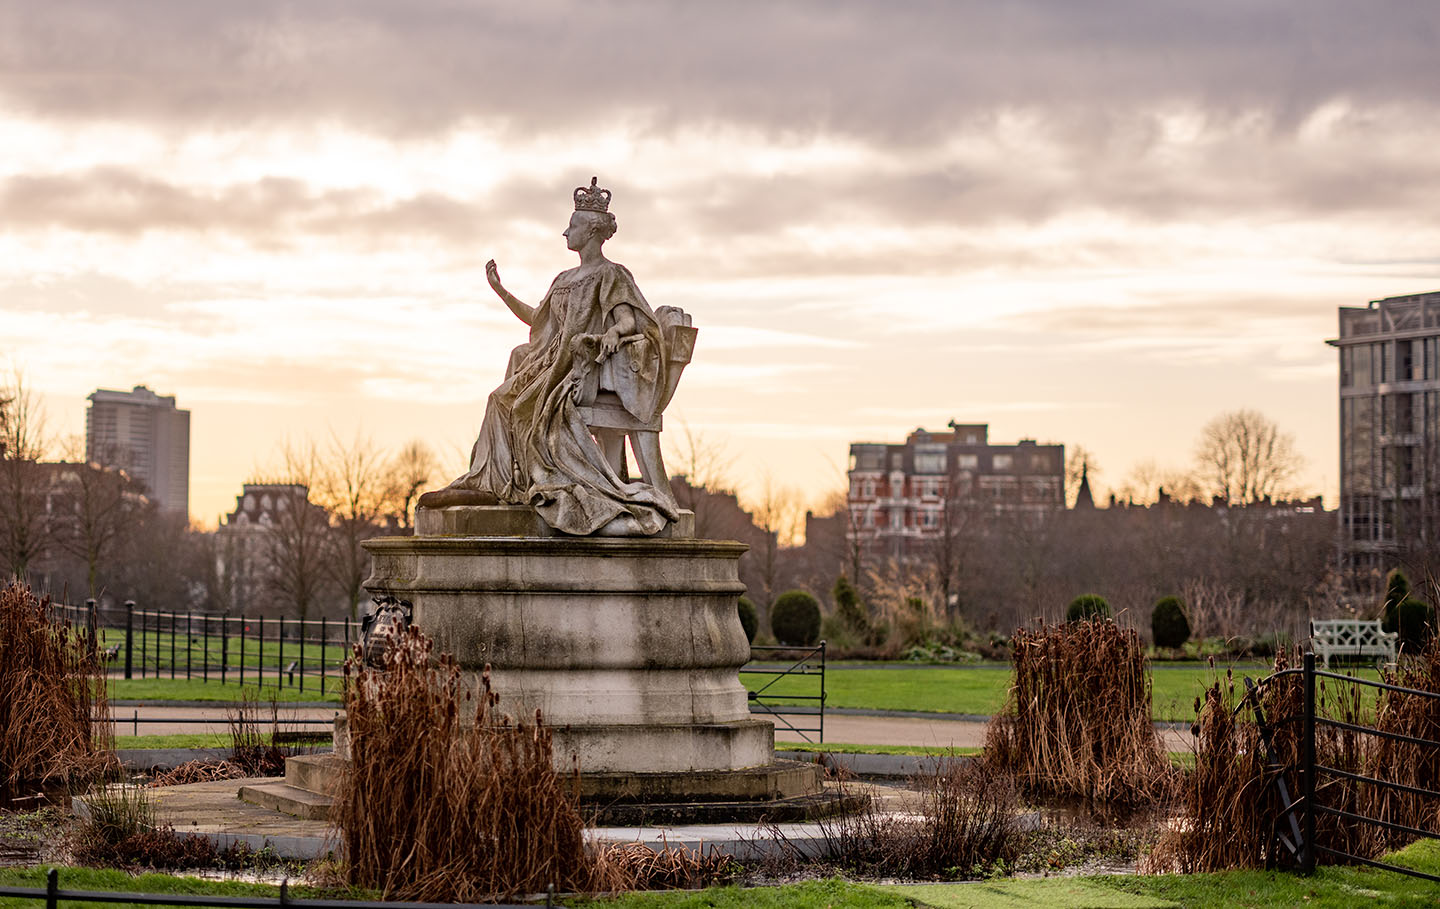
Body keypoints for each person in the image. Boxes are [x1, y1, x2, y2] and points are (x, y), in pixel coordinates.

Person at [419, 178, 682, 535]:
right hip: (550, 358)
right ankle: (488, 480)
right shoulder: (563, 278)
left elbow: (628, 320)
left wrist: (610, 334)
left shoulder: (612, 274)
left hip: (575, 365)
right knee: (502, 394)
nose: (565, 233)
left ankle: (505, 481)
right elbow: (538, 320)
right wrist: (501, 292)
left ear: (591, 232)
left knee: (514, 401)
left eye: (572, 226)